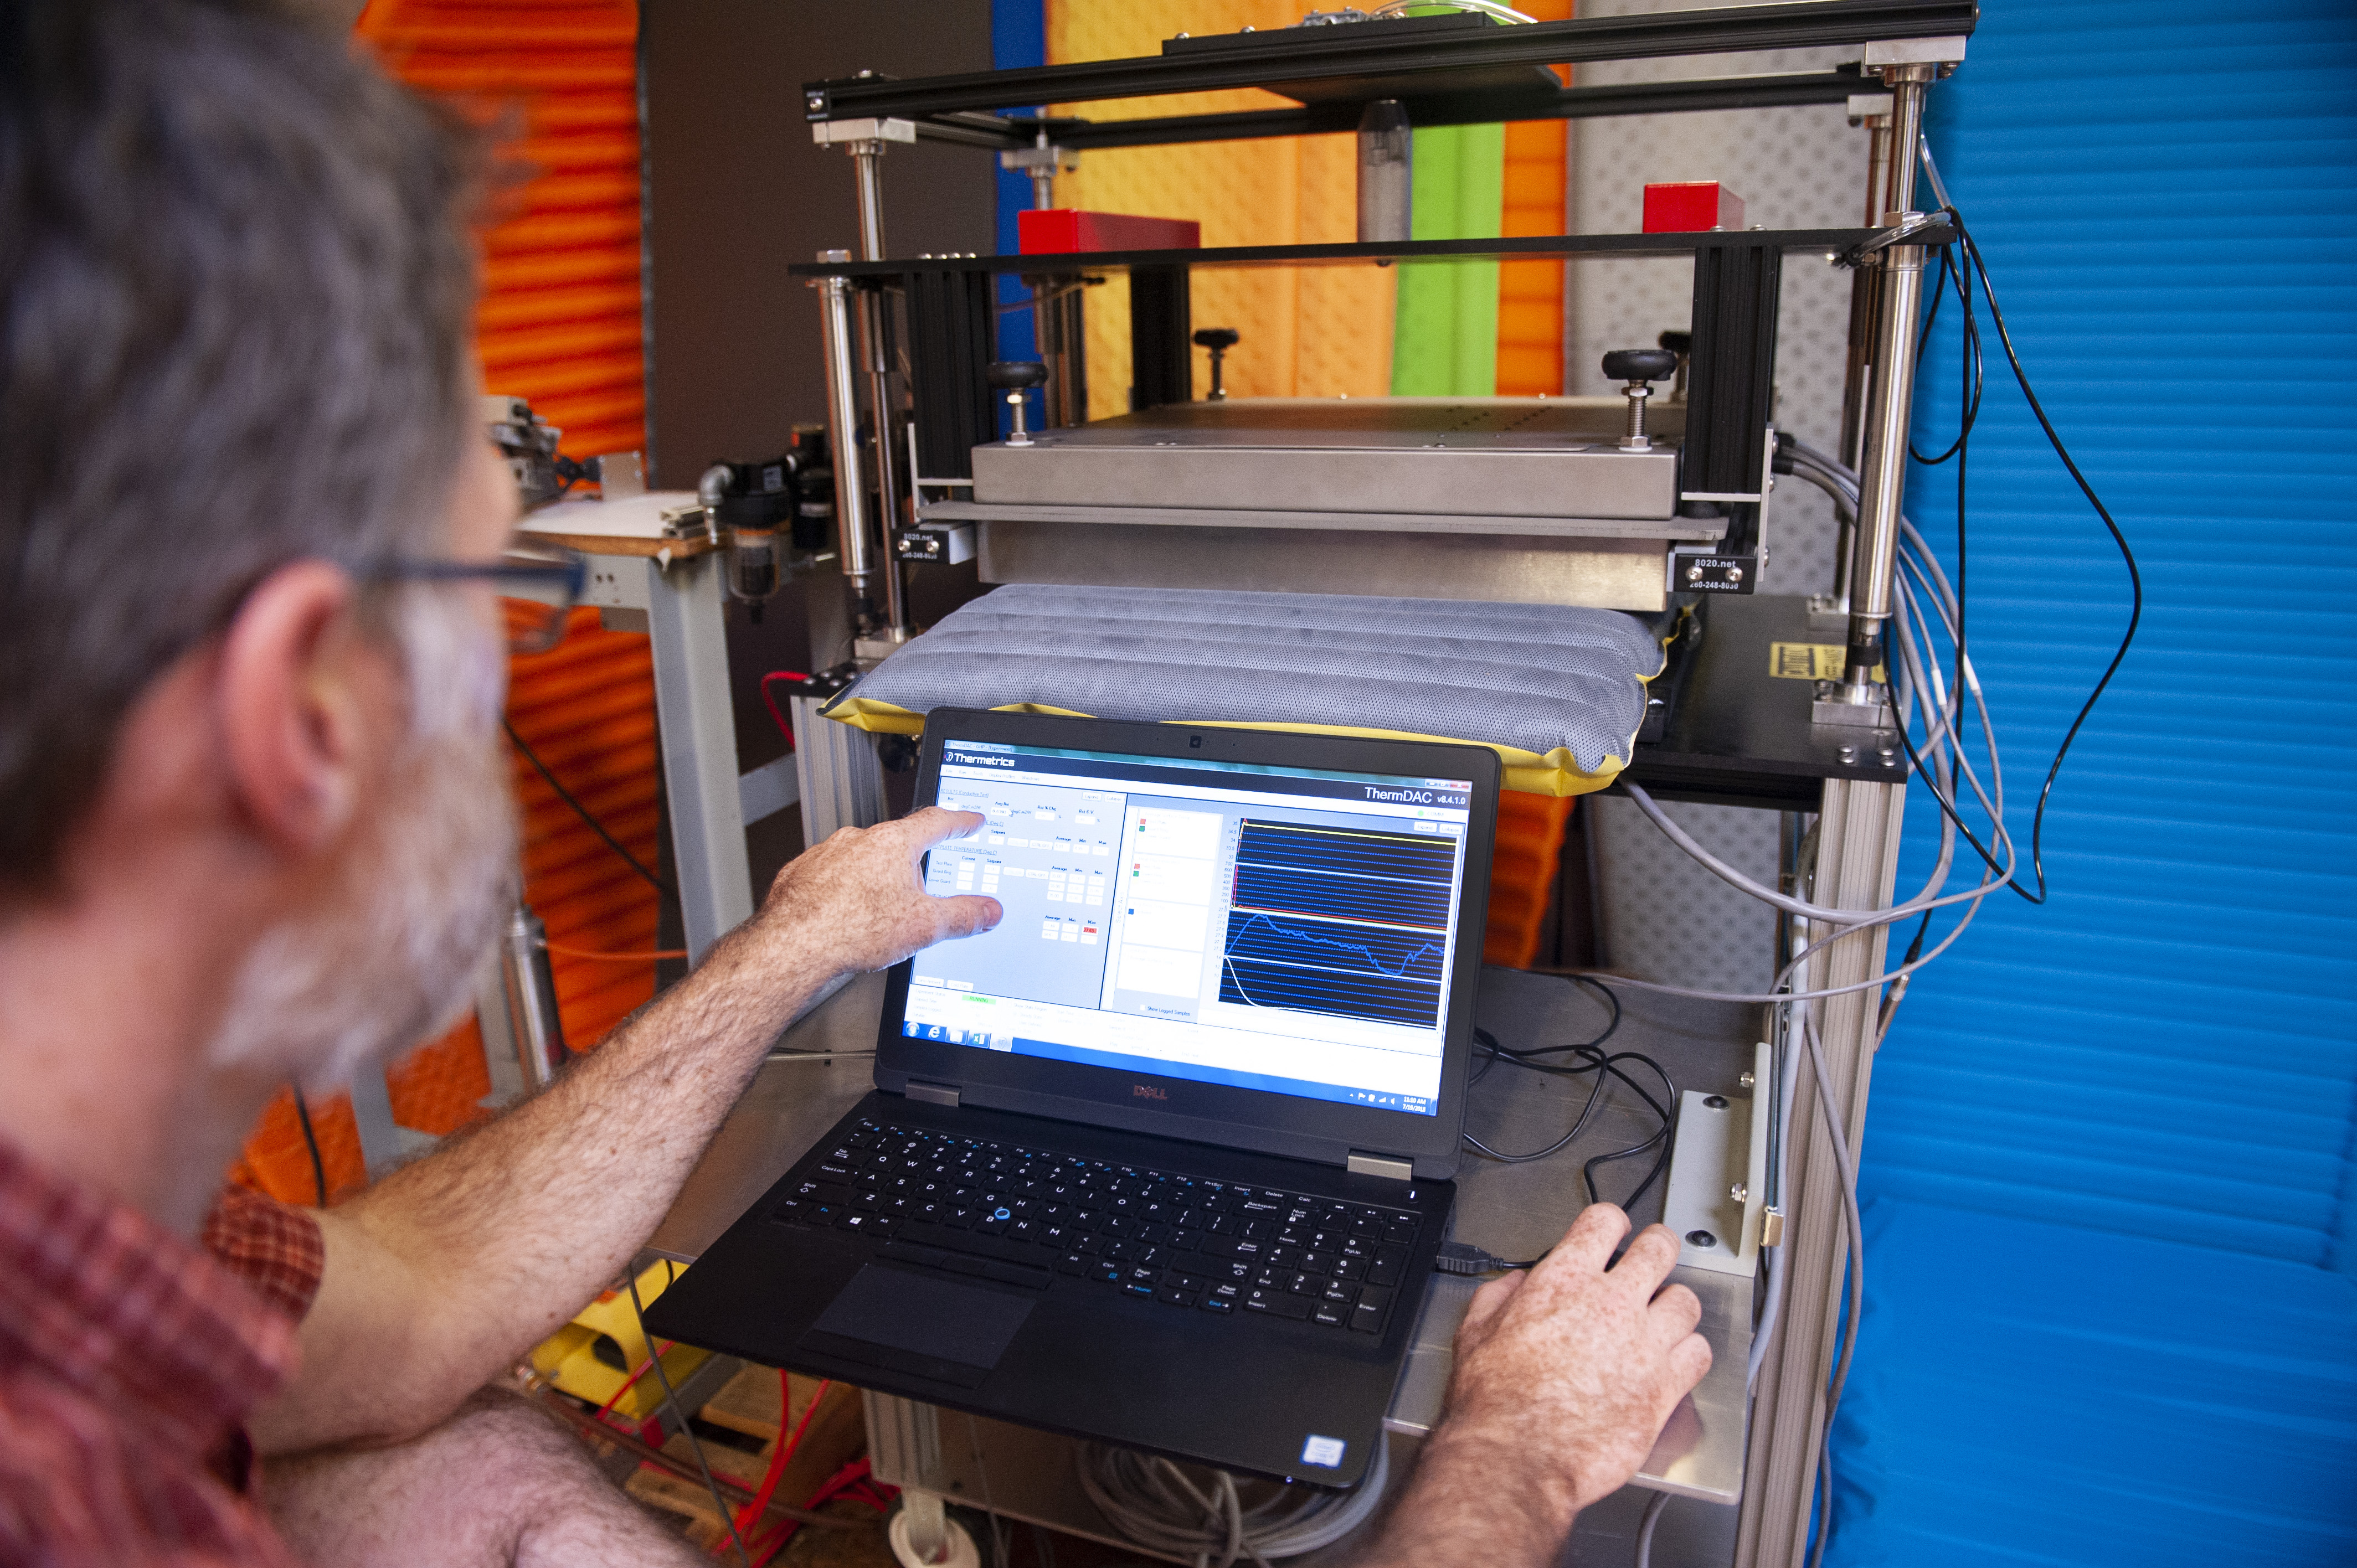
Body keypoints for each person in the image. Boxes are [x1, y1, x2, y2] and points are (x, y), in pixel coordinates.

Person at [0, 3, 1710, 1564]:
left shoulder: (69, 1249)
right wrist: (1523, 1447)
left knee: (456, 1447)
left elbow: (407, 1308)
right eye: (491, 602)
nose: (517, 664)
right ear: (286, 719)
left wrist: (785, 942)